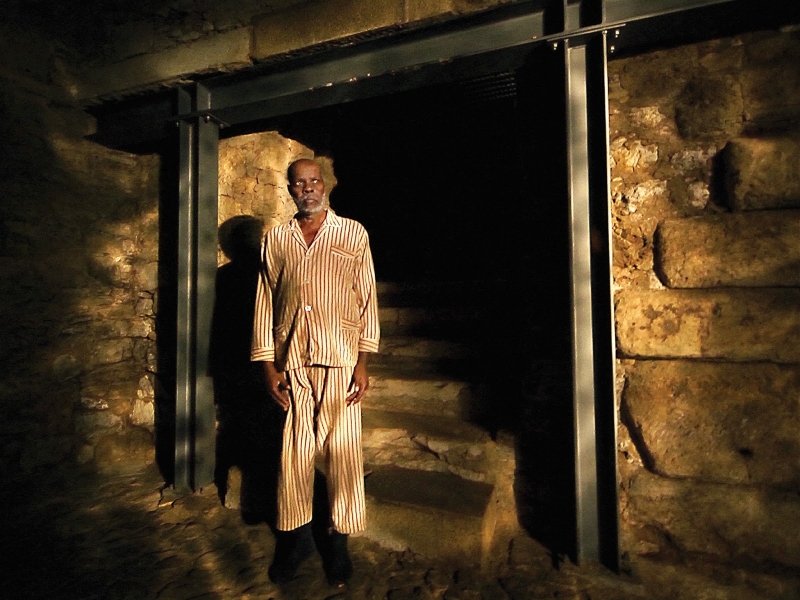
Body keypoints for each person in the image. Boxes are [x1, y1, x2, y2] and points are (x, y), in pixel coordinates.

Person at [250, 158, 380, 586]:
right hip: (293, 364)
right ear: (289, 189)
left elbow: (366, 300)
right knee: (294, 457)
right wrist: (268, 365)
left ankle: (338, 543)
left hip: (340, 359)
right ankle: (296, 539)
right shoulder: (277, 239)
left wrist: (363, 361)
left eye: (313, 181)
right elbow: (265, 302)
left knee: (342, 457)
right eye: (298, 183)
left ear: (325, 185)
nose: (307, 189)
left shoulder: (352, 233)